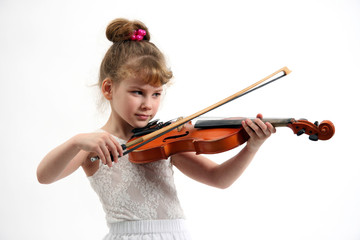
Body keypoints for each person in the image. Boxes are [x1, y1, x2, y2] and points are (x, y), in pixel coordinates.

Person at [36, 18, 276, 240]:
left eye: (156, 94)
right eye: (137, 92)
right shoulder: (96, 145)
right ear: (109, 89)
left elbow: (218, 179)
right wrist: (76, 142)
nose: (147, 104)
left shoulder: (164, 141)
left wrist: (251, 147)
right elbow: (44, 176)